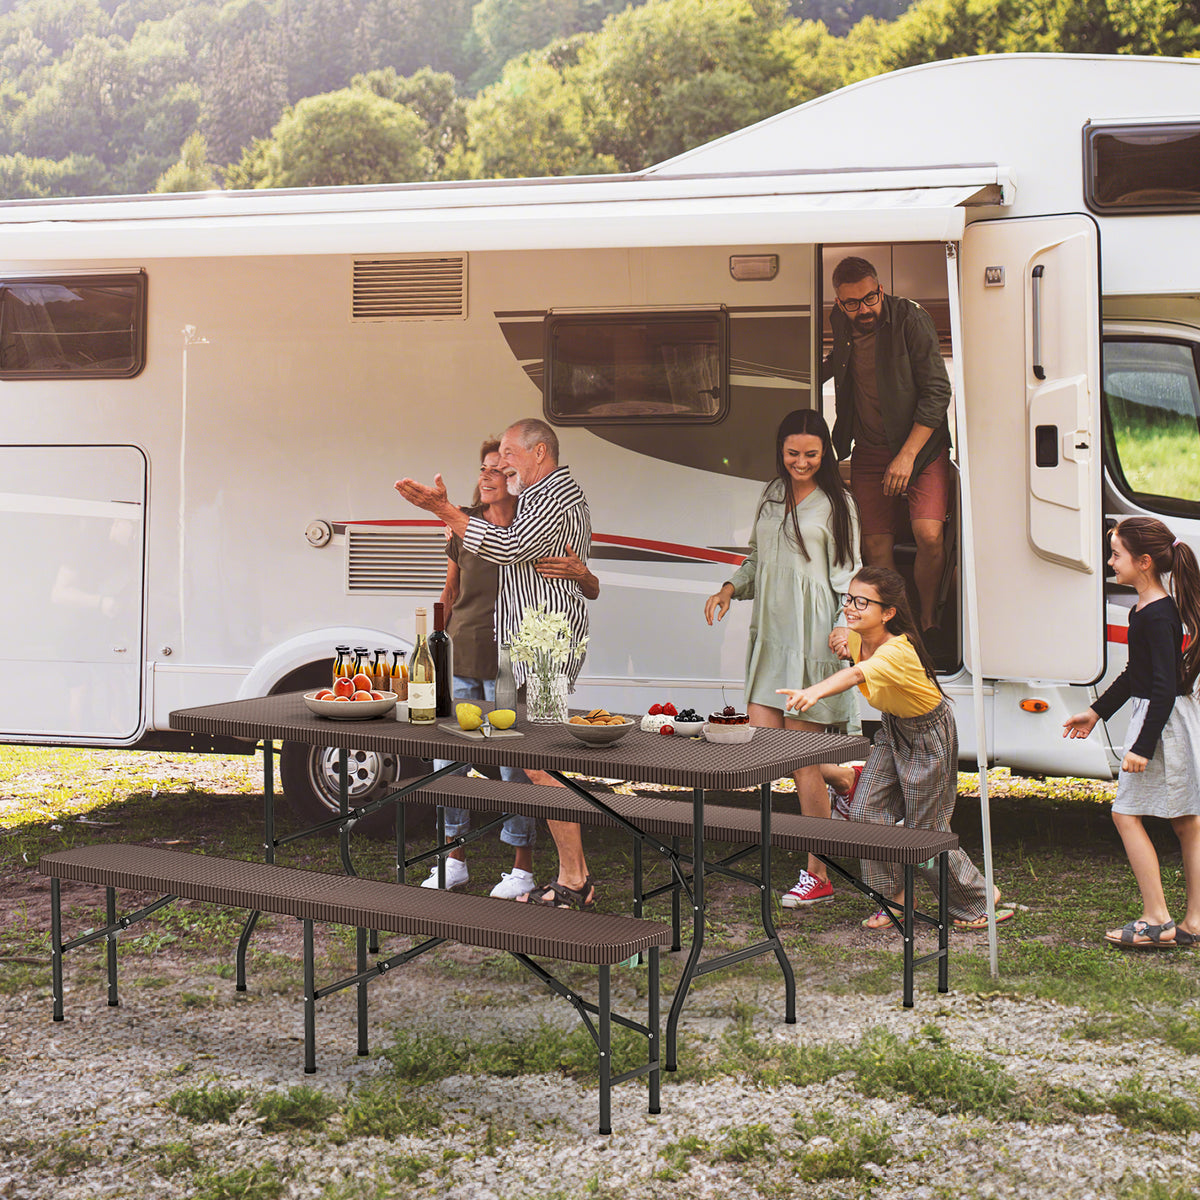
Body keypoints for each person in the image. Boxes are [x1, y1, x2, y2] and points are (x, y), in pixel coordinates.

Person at [395, 417, 598, 909]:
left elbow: (506, 546)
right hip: (526, 646)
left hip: (542, 648)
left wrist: (444, 509)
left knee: (541, 764)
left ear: (539, 454)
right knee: (536, 763)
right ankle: (574, 876)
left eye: (509, 453)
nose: (502, 462)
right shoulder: (541, 494)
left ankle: (575, 879)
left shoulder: (553, 495)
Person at [778, 566, 1009, 932]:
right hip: (892, 728)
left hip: (929, 734)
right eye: (849, 599)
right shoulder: (857, 637)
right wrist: (841, 637)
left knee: (924, 831)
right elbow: (850, 652)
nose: (851, 608)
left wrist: (814, 691)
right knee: (867, 810)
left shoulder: (897, 651)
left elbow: (857, 674)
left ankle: (979, 897)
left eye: (862, 602)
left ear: (888, 612)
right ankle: (897, 898)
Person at [704, 409, 862, 909]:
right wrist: (730, 587)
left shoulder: (839, 502)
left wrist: (845, 624)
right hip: (770, 633)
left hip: (813, 637)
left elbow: (849, 574)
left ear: (825, 454)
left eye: (811, 454)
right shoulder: (771, 494)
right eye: (792, 453)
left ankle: (819, 872)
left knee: (800, 760)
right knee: (768, 747)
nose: (800, 462)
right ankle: (846, 778)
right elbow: (756, 557)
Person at [1063, 517, 1200, 949]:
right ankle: (1194, 922)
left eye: (1116, 554)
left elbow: (1163, 686)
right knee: (1187, 822)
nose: (1109, 562)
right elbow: (1136, 674)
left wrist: (1141, 746)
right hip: (1163, 719)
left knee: (1127, 814)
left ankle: (1157, 918)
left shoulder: (1158, 615)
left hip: (1162, 724)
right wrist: (1096, 712)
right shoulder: (1145, 609)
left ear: (1143, 562)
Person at [822, 256, 953, 635]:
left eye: (870, 298)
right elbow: (844, 362)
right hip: (869, 447)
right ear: (838, 302)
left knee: (929, 536)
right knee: (876, 549)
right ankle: (905, 626)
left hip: (921, 449)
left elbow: (937, 391)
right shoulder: (839, 320)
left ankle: (929, 621)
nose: (863, 309)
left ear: (880, 289)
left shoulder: (911, 319)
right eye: (852, 303)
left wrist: (907, 456)